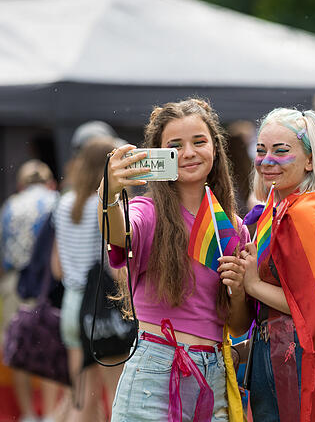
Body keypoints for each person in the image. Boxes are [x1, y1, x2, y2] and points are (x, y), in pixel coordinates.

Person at [99, 98, 251, 421]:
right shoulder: (147, 211)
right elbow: (117, 235)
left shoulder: (232, 227)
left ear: (215, 148)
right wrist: (109, 194)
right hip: (154, 372)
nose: (189, 153)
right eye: (175, 146)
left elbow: (238, 325)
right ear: (159, 154)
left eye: (199, 142)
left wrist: (238, 288)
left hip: (214, 375)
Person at [234, 108, 315, 421]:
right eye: (261, 150)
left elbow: (313, 305)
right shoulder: (280, 207)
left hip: (296, 365)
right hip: (279, 358)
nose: (267, 160)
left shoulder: (303, 213)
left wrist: (252, 284)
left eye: (281, 151)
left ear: (310, 160)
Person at [51, 136, 127, 422]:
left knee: (82, 397)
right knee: (116, 395)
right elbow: (113, 263)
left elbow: (56, 268)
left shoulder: (64, 203)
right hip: (100, 303)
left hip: (72, 304)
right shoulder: (104, 206)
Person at [0, 160, 60, 422]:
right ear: (51, 183)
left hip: (14, 284)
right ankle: (50, 414)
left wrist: (1, 274)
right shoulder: (58, 201)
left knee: (17, 350)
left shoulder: (10, 205)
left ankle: (27, 414)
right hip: (49, 285)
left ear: (20, 185)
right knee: (52, 348)